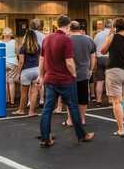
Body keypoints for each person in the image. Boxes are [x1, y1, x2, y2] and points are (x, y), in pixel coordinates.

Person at [38, 15, 94, 147]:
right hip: (65, 80)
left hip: (50, 79)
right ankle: (82, 135)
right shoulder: (66, 40)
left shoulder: (47, 39)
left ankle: (45, 138)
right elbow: (69, 62)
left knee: (47, 109)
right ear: (68, 26)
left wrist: (41, 76)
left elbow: (41, 60)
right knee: (73, 107)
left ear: (57, 25)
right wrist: (74, 74)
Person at [64, 21, 96, 127]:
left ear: (70, 28)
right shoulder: (88, 40)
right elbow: (93, 57)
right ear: (79, 28)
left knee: (70, 98)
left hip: (69, 73)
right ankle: (82, 119)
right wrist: (90, 70)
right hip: (84, 73)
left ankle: (70, 120)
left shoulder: (66, 40)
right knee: (83, 97)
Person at [13, 29, 40, 116]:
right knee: (34, 92)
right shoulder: (38, 46)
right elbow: (40, 59)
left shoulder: (23, 47)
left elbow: (21, 62)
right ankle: (31, 112)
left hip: (26, 71)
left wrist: (18, 73)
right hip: (36, 70)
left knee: (24, 93)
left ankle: (21, 110)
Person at [93, 19, 112, 106]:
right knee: (109, 80)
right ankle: (110, 100)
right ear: (112, 26)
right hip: (109, 58)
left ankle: (98, 100)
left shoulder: (98, 35)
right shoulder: (112, 35)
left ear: (105, 25)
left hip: (99, 58)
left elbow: (94, 47)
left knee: (100, 81)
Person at [0, 27, 19, 107]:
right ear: (10, 34)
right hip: (13, 63)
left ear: (3, 34)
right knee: (11, 83)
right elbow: (17, 53)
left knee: (5, 83)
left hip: (2, 63)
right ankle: (12, 101)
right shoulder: (14, 42)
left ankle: (6, 100)